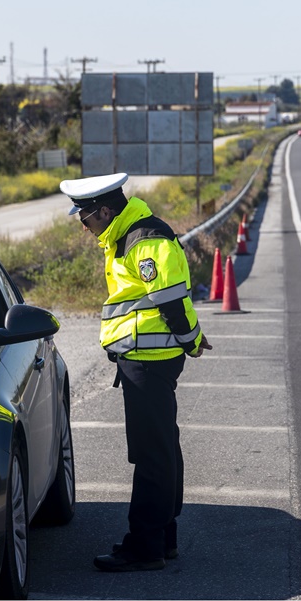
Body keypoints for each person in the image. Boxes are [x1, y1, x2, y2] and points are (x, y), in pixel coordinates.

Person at [60, 172, 212, 572]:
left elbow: (170, 299)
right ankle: (164, 538)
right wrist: (190, 339)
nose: (83, 225)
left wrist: (192, 341)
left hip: (149, 358)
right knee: (160, 448)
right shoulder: (126, 235)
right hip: (145, 356)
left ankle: (144, 546)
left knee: (152, 453)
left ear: (105, 210)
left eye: (85, 217)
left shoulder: (142, 239)